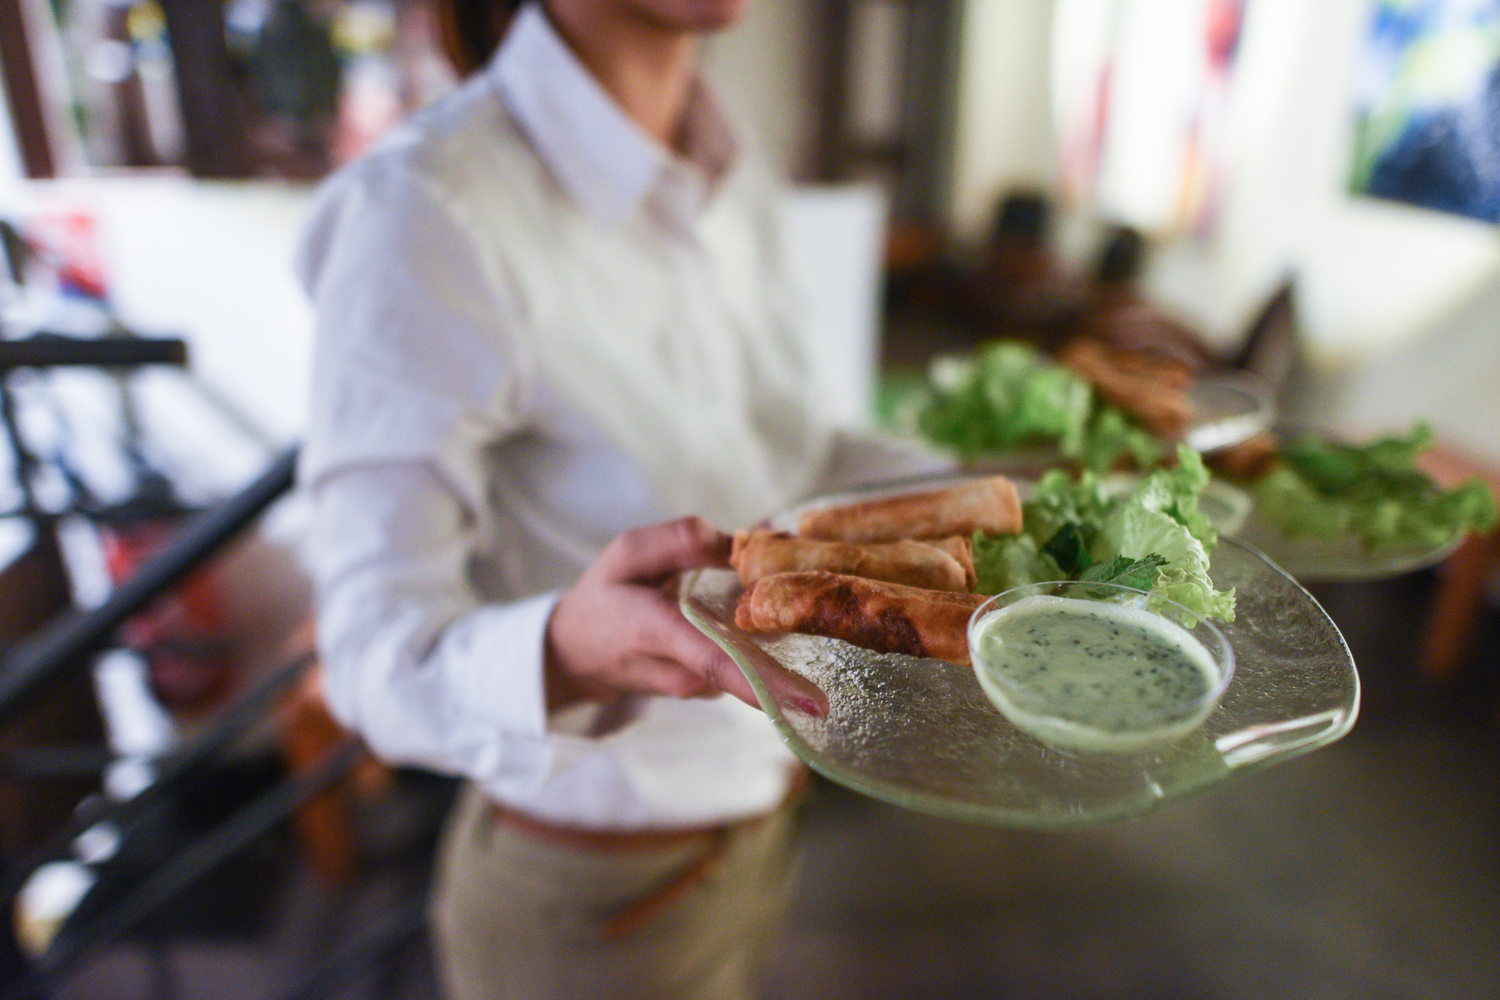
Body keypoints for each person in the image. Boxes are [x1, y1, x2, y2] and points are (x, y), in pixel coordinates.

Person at [294, 1, 945, 997]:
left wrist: (1033, 478)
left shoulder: (730, 158)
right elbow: (369, 657)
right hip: (591, 904)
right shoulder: (427, 208)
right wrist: (567, 648)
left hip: (760, 823)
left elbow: (794, 457)